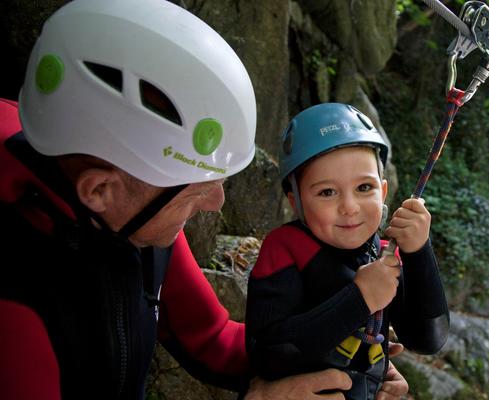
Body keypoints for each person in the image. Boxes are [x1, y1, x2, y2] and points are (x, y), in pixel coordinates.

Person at [0, 1, 409, 399]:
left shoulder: (137, 212)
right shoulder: (17, 303)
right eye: (196, 188)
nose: (216, 201)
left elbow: (210, 337)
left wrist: (341, 353)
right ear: (99, 191)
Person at [245, 103, 450, 400]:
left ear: (383, 191)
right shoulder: (285, 249)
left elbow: (428, 339)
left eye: (364, 188)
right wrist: (360, 299)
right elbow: (268, 355)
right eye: (327, 192)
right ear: (296, 202)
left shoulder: (384, 256)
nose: (350, 207)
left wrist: (419, 252)